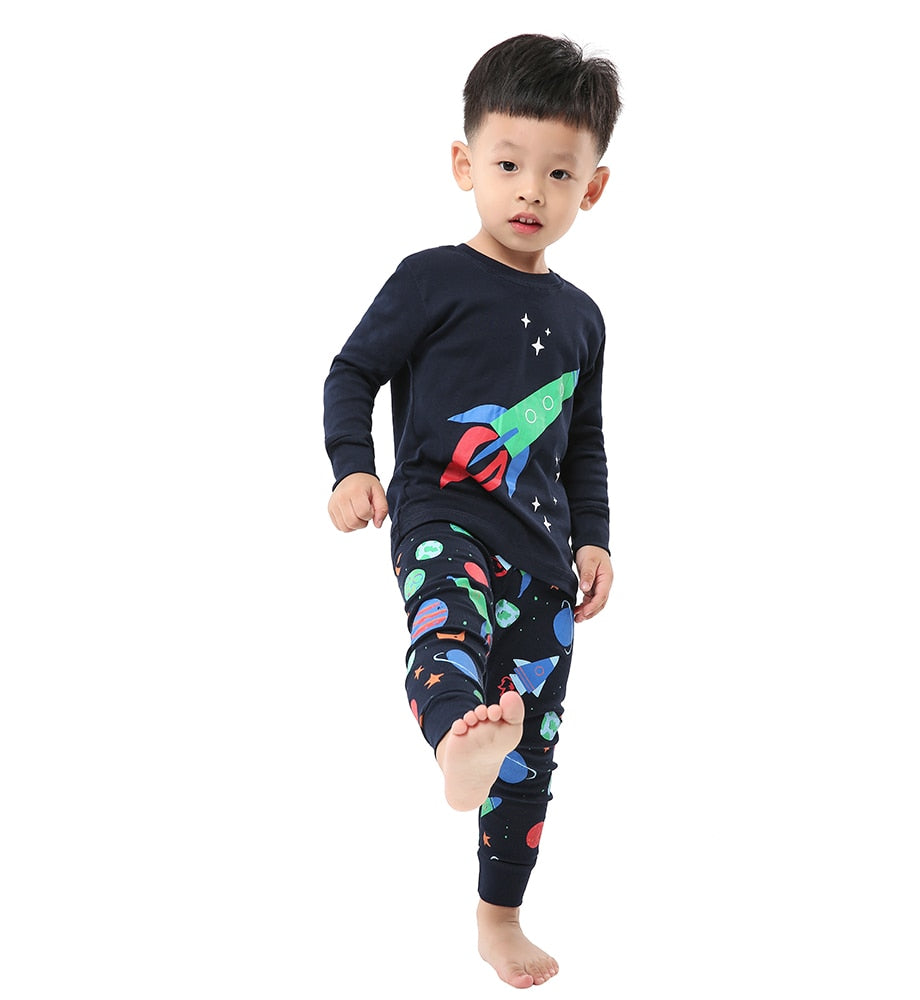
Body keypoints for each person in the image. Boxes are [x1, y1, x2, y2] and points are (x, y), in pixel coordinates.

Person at [323, 34, 621, 989]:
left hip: (542, 561)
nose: (531, 192)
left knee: (532, 752)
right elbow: (352, 372)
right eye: (508, 165)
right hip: (440, 515)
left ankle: (501, 917)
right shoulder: (430, 279)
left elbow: (582, 444)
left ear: (593, 188)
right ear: (465, 164)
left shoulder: (583, 319)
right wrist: (351, 468)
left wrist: (594, 540)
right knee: (445, 632)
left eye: (558, 174)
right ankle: (458, 739)